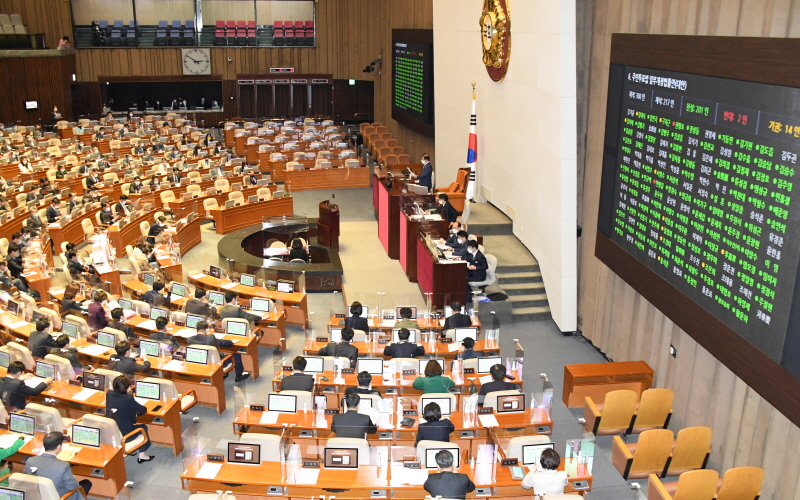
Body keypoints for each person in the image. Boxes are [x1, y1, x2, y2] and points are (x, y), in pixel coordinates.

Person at [24, 432, 92, 500]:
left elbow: (26, 477)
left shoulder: (30, 461)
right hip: (60, 497)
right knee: (86, 483)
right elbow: (73, 487)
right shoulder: (63, 466)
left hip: (39, 496)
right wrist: (73, 477)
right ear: (59, 447)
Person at [105, 375, 154, 463]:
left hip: (112, 431)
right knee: (143, 427)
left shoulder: (109, 394)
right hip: (125, 434)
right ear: (127, 388)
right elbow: (142, 410)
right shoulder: (128, 398)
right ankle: (142, 455)